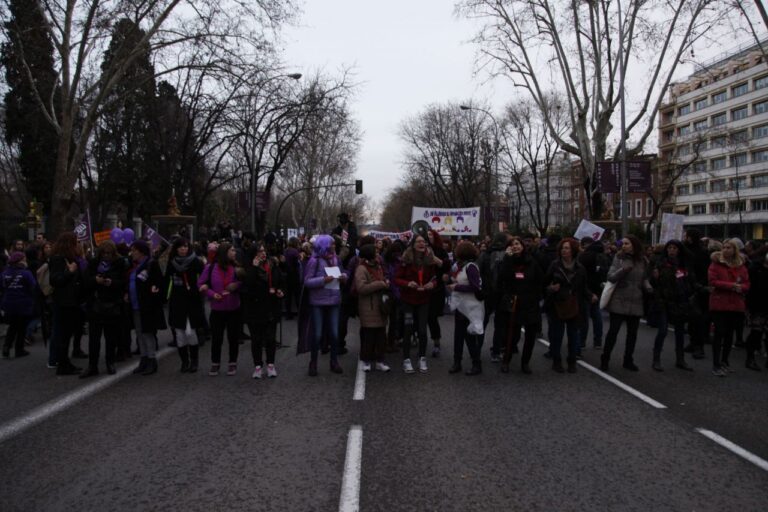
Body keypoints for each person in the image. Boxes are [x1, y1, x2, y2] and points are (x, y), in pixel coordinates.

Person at [600, 235, 652, 372]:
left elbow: (644, 278)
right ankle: (605, 358)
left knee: (632, 334)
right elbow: (610, 277)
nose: (623, 246)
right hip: (619, 299)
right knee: (613, 332)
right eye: (622, 244)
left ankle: (628, 359)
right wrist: (623, 270)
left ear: (634, 245)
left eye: (627, 243)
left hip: (636, 300)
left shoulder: (643, 260)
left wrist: (648, 287)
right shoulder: (619, 258)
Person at [79, 240, 127, 378]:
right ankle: (92, 365)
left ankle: (110, 362)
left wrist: (111, 283)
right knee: (94, 338)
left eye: (109, 253)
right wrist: (95, 280)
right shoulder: (93, 264)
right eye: (104, 253)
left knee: (110, 337)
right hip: (95, 304)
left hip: (111, 304)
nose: (106, 256)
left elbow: (123, 283)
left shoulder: (119, 264)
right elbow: (85, 282)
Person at [648, 240, 697, 372]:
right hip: (664, 301)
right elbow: (652, 282)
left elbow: (691, 282)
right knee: (663, 330)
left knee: (680, 332)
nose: (671, 250)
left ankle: (680, 359)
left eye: (674, 248)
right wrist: (655, 278)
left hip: (680, 301)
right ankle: (656, 359)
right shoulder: (660, 263)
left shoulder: (684, 265)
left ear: (679, 250)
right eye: (669, 248)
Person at [394, 234, 440, 374]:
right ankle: (406, 360)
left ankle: (422, 358)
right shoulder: (405, 259)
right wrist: (408, 283)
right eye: (419, 241)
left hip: (423, 300)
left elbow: (435, 278)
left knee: (422, 330)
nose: (422, 244)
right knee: (408, 329)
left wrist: (432, 284)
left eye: (424, 242)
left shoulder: (430, 260)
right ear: (413, 244)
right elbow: (396, 278)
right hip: (408, 300)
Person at [499, 236, 545, 374]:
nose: (515, 246)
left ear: (523, 246)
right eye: (512, 244)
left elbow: (540, 280)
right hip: (514, 302)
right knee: (512, 335)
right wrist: (507, 258)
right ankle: (506, 360)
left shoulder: (532, 262)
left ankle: (525, 362)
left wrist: (537, 296)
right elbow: (503, 277)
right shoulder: (507, 261)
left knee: (530, 335)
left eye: (518, 244)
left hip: (530, 303)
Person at [302, 234, 347, 376]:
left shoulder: (336, 259)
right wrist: (324, 280)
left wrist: (343, 277)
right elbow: (307, 282)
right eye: (332, 244)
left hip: (334, 301)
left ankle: (334, 362)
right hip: (318, 302)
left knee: (334, 334)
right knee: (318, 335)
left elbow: (344, 272)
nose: (334, 246)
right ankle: (313, 362)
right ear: (324, 245)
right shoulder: (314, 261)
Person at [545, 238, 591, 373]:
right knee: (557, 335)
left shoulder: (580, 268)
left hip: (574, 305)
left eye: (567, 248)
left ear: (573, 251)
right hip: (557, 304)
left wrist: (590, 296)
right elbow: (545, 283)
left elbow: (584, 287)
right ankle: (556, 361)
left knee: (573, 335)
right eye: (562, 248)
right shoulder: (555, 265)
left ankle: (572, 361)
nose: (564, 250)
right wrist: (551, 288)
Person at [241, 243, 284, 379]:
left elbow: (281, 281)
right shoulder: (248, 268)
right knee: (257, 340)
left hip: (271, 307)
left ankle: (271, 365)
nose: (263, 253)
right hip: (254, 308)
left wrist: (280, 291)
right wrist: (254, 268)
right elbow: (247, 285)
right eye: (259, 251)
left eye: (264, 250)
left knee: (271, 339)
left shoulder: (273, 265)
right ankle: (258, 366)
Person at [198, 243, 242, 376]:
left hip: (234, 307)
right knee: (217, 338)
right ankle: (215, 363)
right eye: (232, 250)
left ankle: (232, 363)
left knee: (233, 338)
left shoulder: (236, 267)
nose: (234, 252)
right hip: (217, 308)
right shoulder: (210, 267)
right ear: (225, 252)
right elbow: (200, 283)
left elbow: (245, 281)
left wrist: (236, 285)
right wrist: (211, 294)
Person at [708, 239, 750, 377]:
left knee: (729, 335)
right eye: (724, 247)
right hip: (720, 303)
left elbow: (746, 283)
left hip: (735, 304)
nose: (726, 250)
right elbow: (713, 281)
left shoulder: (741, 266)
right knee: (719, 333)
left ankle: (725, 361)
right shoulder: (716, 264)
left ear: (735, 250)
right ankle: (716, 364)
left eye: (729, 247)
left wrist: (741, 288)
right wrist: (731, 285)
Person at [165, 238, 206, 373]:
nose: (183, 249)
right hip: (177, 301)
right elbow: (166, 280)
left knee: (191, 332)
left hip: (192, 300)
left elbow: (205, 276)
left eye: (186, 247)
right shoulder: (172, 263)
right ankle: (184, 361)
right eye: (181, 247)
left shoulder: (195, 261)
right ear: (176, 249)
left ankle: (194, 361)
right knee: (179, 333)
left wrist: (202, 287)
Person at [49, 232, 87, 375]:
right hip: (64, 302)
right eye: (75, 242)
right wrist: (70, 272)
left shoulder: (68, 258)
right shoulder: (58, 259)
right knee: (64, 334)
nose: (77, 245)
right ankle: (62, 364)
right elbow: (55, 280)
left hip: (71, 301)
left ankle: (64, 362)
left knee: (67, 333)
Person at [127, 240, 166, 376]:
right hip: (135, 305)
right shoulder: (135, 266)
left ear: (141, 251)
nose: (132, 253)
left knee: (147, 333)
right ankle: (143, 359)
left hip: (147, 305)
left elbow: (160, 283)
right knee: (139, 333)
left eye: (134, 250)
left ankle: (151, 359)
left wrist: (155, 289)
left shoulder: (151, 264)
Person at [447, 240, 485, 375]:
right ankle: (457, 362)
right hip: (461, 306)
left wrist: (456, 287)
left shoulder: (470, 267)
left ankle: (476, 364)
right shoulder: (461, 266)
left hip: (470, 307)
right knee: (458, 336)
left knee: (469, 337)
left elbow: (476, 287)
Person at [354, 243, 392, 373]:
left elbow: (382, 279)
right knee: (369, 336)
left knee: (381, 336)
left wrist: (386, 282)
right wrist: (380, 284)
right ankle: (366, 360)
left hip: (380, 305)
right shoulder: (361, 269)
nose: (377, 254)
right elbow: (361, 288)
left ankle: (380, 360)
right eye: (375, 252)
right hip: (368, 307)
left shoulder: (378, 266)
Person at [1, 251, 36, 359]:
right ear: (20, 261)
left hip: (9, 303)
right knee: (21, 327)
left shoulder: (4, 273)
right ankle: (19, 349)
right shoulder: (26, 273)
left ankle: (6, 347)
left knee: (12, 326)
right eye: (24, 259)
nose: (25, 261)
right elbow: (33, 287)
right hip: (23, 303)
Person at [577, 237, 609, 351]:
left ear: (586, 244)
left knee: (584, 317)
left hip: (587, 290)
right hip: (599, 289)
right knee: (597, 315)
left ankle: (581, 342)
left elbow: (581, 273)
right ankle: (598, 341)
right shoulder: (603, 256)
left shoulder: (585, 256)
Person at [426, 229, 450, 357]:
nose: (428, 236)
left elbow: (447, 266)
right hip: (421, 288)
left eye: (430, 234)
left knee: (432, 317)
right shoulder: (418, 249)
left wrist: (435, 259)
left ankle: (436, 343)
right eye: (426, 234)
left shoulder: (440, 251)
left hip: (436, 289)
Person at [745, 248, 768, 370]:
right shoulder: (755, 268)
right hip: (757, 305)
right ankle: (750, 358)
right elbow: (750, 287)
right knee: (756, 332)